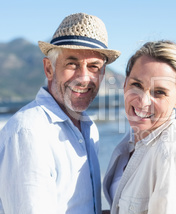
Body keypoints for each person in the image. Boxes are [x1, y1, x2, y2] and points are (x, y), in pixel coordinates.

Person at [0, 13, 120, 213]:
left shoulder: (89, 130)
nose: (84, 78)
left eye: (93, 67)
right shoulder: (29, 133)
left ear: (102, 74)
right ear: (49, 68)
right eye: (72, 64)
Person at [103, 41, 176, 214]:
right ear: (125, 84)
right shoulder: (129, 144)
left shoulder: (173, 156)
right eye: (136, 85)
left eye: (159, 92)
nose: (143, 101)